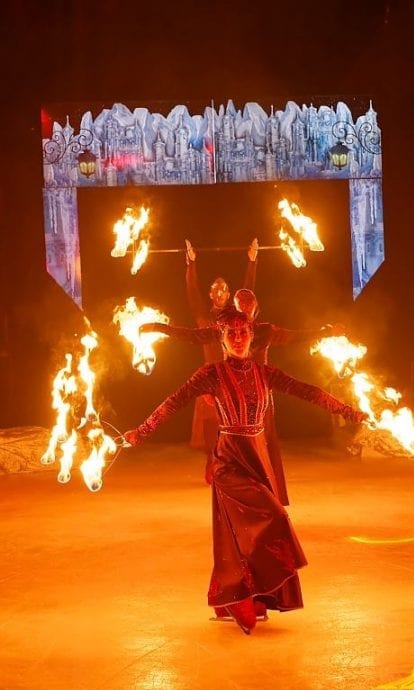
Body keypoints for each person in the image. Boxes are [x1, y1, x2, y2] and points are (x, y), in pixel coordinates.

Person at [124, 308, 367, 635]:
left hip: (258, 458)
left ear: (252, 337)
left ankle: (248, 596)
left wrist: (348, 411)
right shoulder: (210, 373)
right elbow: (173, 401)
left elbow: (307, 391)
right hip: (229, 462)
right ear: (222, 339)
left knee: (245, 536)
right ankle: (240, 596)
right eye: (231, 334)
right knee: (272, 520)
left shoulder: (265, 373)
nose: (238, 338)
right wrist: (143, 430)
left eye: (243, 333)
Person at [139, 288, 345, 504]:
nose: (245, 311)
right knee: (231, 443)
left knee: (265, 443)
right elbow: (192, 335)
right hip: (230, 392)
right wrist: (157, 327)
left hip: (261, 395)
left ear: (256, 309)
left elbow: (296, 336)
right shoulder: (226, 329)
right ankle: (235, 494)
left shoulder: (266, 331)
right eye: (241, 307)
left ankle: (270, 495)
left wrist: (327, 331)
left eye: (250, 306)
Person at [184, 240, 258, 481]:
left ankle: (236, 465)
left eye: (223, 289)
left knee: (235, 424)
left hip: (234, 376)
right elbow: (191, 291)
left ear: (228, 294)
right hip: (210, 377)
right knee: (210, 425)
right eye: (215, 289)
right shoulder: (204, 317)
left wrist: (252, 260)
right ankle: (211, 463)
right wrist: (191, 263)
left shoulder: (236, 317)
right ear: (211, 293)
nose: (218, 292)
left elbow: (248, 291)